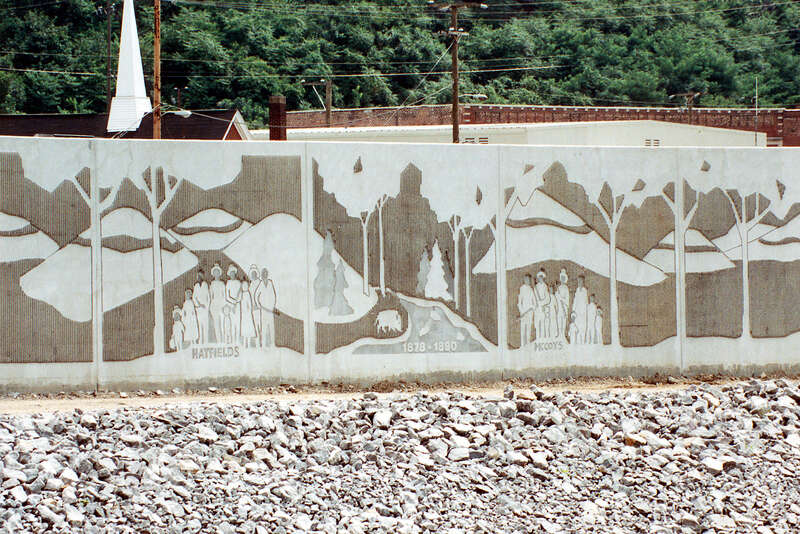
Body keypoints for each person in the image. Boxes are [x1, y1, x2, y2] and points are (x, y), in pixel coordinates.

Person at [254, 267, 277, 348]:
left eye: (266, 273)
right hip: (263, 309)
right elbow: (256, 295)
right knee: (263, 327)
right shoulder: (260, 284)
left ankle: (272, 344)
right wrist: (259, 305)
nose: (265, 275)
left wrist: (273, 306)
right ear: (261, 275)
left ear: (267, 274)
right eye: (263, 273)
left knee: (271, 326)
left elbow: (273, 295)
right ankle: (263, 344)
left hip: (270, 309)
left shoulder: (270, 283)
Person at [225, 265, 243, 344]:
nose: (232, 274)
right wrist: (233, 303)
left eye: (233, 272)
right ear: (229, 274)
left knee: (238, 323)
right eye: (230, 273)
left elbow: (240, 295)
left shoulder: (239, 283)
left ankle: (238, 341)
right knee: (232, 323)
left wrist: (237, 302)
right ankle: (232, 341)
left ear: (235, 273)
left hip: (238, 305)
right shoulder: (228, 283)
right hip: (230, 305)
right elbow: (227, 296)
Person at [209, 263, 226, 343]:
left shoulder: (222, 284)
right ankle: (219, 341)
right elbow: (210, 296)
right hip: (214, 306)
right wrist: (210, 307)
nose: (216, 274)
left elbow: (225, 295)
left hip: (222, 305)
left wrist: (225, 305)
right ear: (213, 274)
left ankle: (224, 340)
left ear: (220, 273)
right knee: (216, 324)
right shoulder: (212, 284)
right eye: (215, 272)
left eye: (218, 272)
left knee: (223, 323)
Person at [192, 270, 211, 344]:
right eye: (198, 276)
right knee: (200, 325)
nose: (199, 277)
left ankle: (206, 342)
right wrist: (199, 304)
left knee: (205, 325)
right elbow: (194, 297)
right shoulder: (196, 286)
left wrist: (207, 307)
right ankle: (200, 342)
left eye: (201, 275)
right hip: (199, 309)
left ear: (203, 276)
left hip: (205, 308)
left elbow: (208, 297)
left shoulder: (205, 284)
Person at [516, 274, 535, 347]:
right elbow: (519, 302)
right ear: (524, 280)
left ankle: (528, 347)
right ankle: (522, 346)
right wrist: (522, 312)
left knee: (528, 330)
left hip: (530, 313)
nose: (528, 281)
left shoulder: (531, 289)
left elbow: (534, 302)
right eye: (526, 279)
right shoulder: (522, 288)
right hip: (523, 313)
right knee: (523, 329)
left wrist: (531, 308)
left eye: (529, 280)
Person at [533, 269, 551, 342]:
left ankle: (543, 340)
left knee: (543, 324)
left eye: (542, 277)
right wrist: (536, 303)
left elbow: (548, 299)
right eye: (539, 277)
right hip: (537, 309)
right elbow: (533, 298)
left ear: (543, 278)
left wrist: (542, 303)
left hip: (542, 308)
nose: (540, 278)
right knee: (537, 324)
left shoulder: (545, 286)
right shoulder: (535, 287)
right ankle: (538, 340)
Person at [240, 279, 258, 347]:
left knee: (249, 327)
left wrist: (249, 310)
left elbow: (249, 304)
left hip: (248, 314)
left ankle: (249, 343)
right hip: (243, 314)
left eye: (246, 285)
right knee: (244, 328)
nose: (244, 286)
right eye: (243, 285)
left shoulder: (247, 293)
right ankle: (245, 344)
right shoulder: (242, 294)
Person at [248, 265, 263, 343]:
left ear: (257, 274)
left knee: (261, 324)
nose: (253, 275)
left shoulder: (260, 283)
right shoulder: (250, 285)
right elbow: (250, 296)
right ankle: (257, 341)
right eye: (252, 274)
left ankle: (262, 340)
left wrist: (259, 305)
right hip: (253, 307)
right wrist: (252, 305)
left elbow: (261, 295)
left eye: (254, 273)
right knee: (255, 324)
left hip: (260, 307)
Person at [555, 268, 570, 340]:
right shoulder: (558, 288)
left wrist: (561, 299)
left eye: (564, 278)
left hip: (564, 307)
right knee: (558, 321)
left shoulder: (566, 288)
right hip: (558, 308)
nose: (562, 279)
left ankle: (563, 336)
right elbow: (556, 298)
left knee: (563, 321)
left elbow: (567, 299)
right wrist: (557, 296)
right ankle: (559, 335)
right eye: (561, 277)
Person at [573, 275, 588, 344]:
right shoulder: (577, 290)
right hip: (577, 311)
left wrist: (584, 311)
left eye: (581, 281)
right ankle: (578, 342)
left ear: (583, 282)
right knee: (577, 326)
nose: (579, 282)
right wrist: (573, 311)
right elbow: (575, 301)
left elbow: (586, 302)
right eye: (578, 281)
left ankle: (583, 341)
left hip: (583, 312)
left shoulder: (585, 291)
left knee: (583, 326)